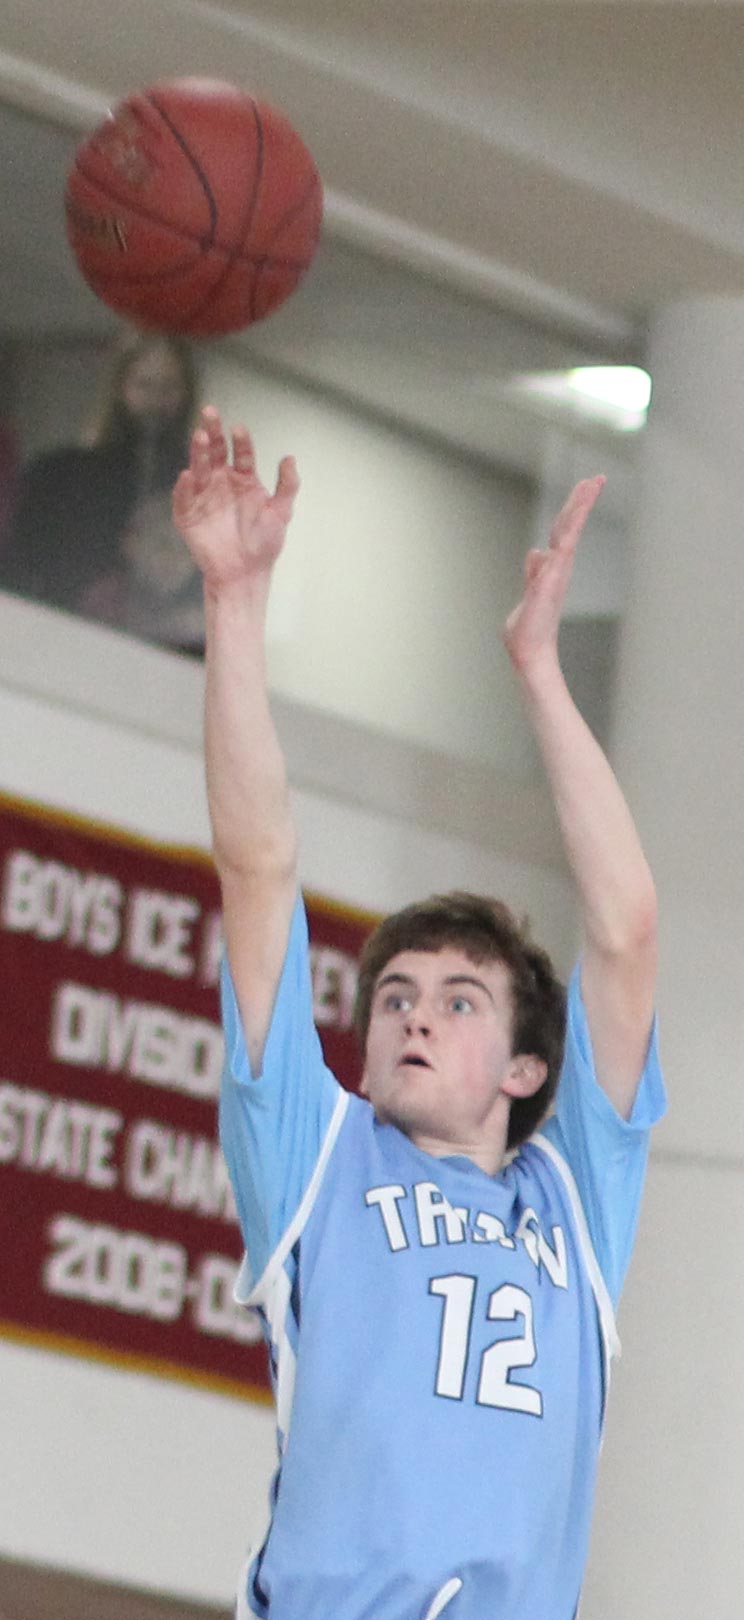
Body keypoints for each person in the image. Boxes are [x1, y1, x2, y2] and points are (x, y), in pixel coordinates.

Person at [172, 407, 665, 1620]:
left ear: (526, 1068)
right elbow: (258, 865)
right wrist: (234, 602)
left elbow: (627, 930)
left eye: (457, 1000)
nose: (414, 1017)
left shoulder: (575, 1203)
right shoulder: (319, 1157)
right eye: (393, 995)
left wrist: (540, 671)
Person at [0, 329, 202, 645]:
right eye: (144, 385)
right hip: (59, 637)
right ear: (120, 388)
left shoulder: (199, 495)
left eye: (169, 387)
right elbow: (23, 564)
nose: (156, 401)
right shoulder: (63, 476)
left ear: (186, 393)